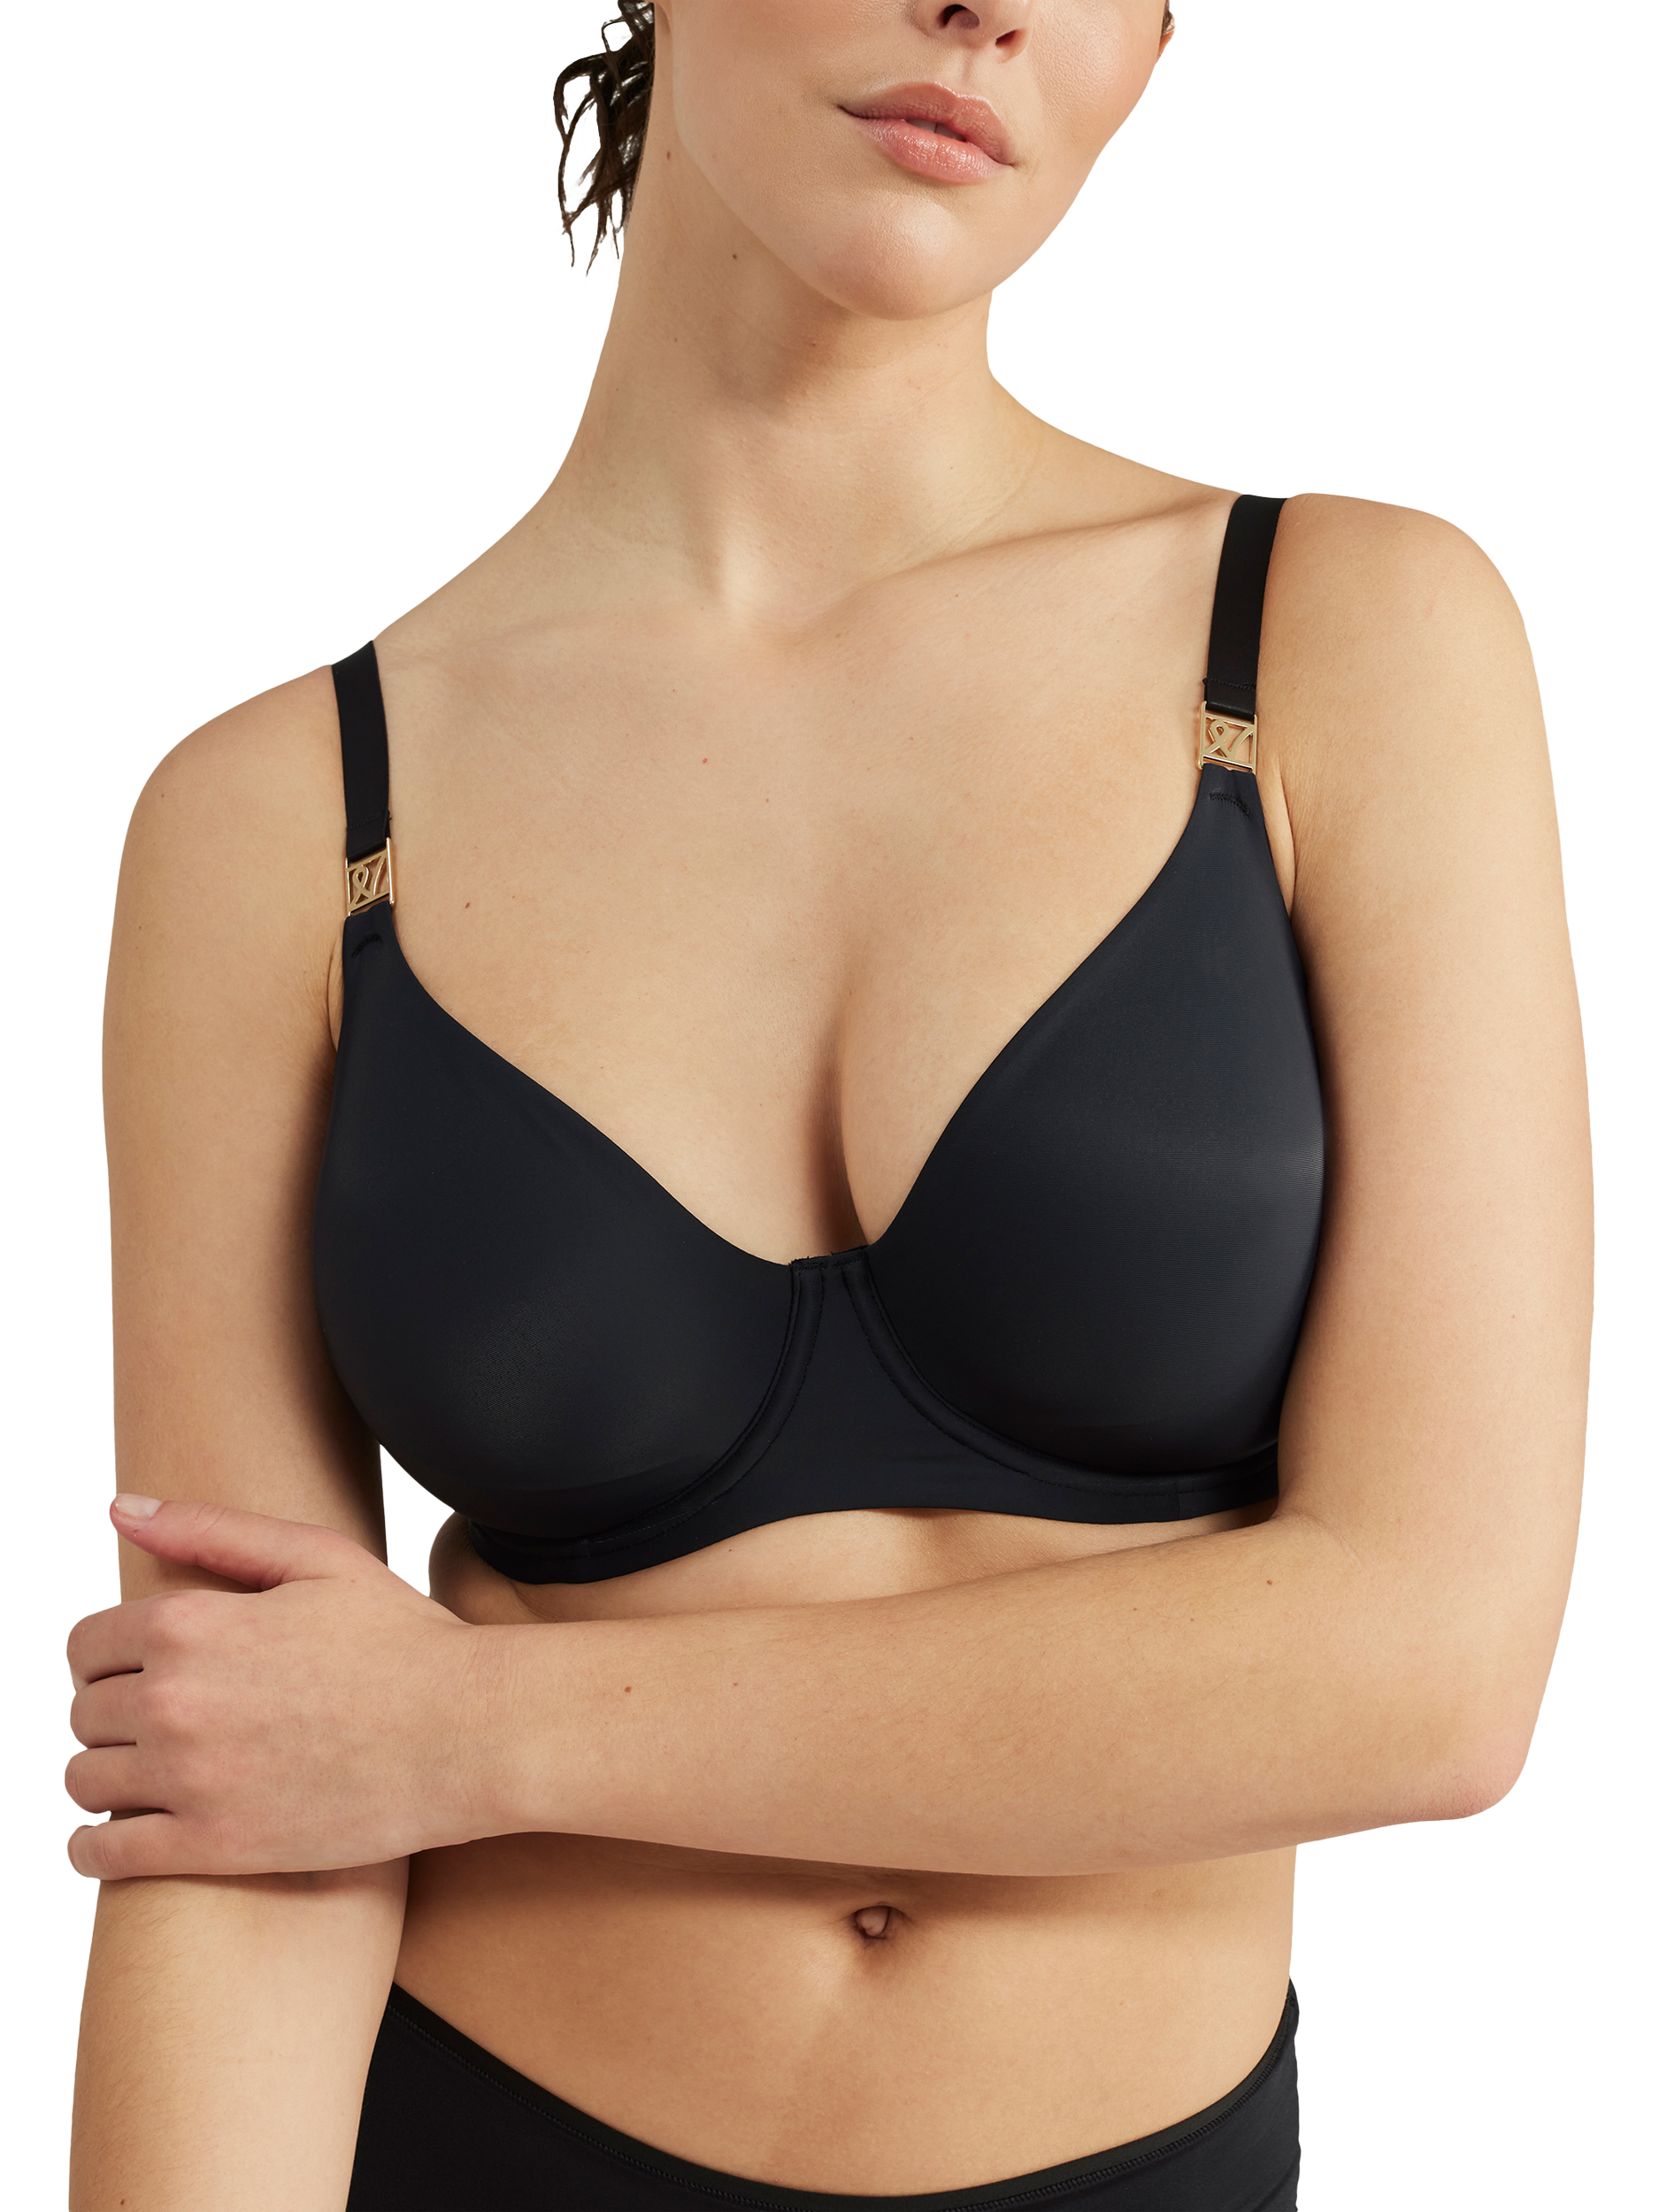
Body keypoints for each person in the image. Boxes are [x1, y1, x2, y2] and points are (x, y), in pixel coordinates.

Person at [65, 4, 1591, 2208]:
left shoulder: (1341, 644)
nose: (990, 7)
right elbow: (242, 1782)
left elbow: (1427, 1666)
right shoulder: (275, 820)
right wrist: (344, 1749)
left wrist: (467, 1729)